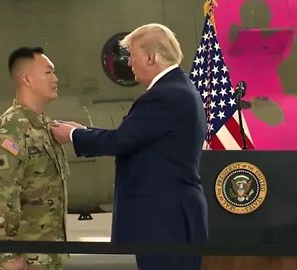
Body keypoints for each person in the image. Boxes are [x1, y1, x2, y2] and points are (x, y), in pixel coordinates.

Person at [50, 23, 208, 270]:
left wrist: (72, 135)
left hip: (163, 219)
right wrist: (83, 131)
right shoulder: (178, 89)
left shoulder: (165, 95)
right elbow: (134, 137)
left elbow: (121, 141)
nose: (129, 63)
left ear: (150, 57)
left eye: (132, 56)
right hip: (169, 215)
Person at [0, 46, 70, 270]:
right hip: (28, 260)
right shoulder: (11, 130)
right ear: (26, 79)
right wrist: (8, 256)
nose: (55, 78)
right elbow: (3, 196)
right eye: (48, 72)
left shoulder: (42, 125)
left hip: (47, 257)